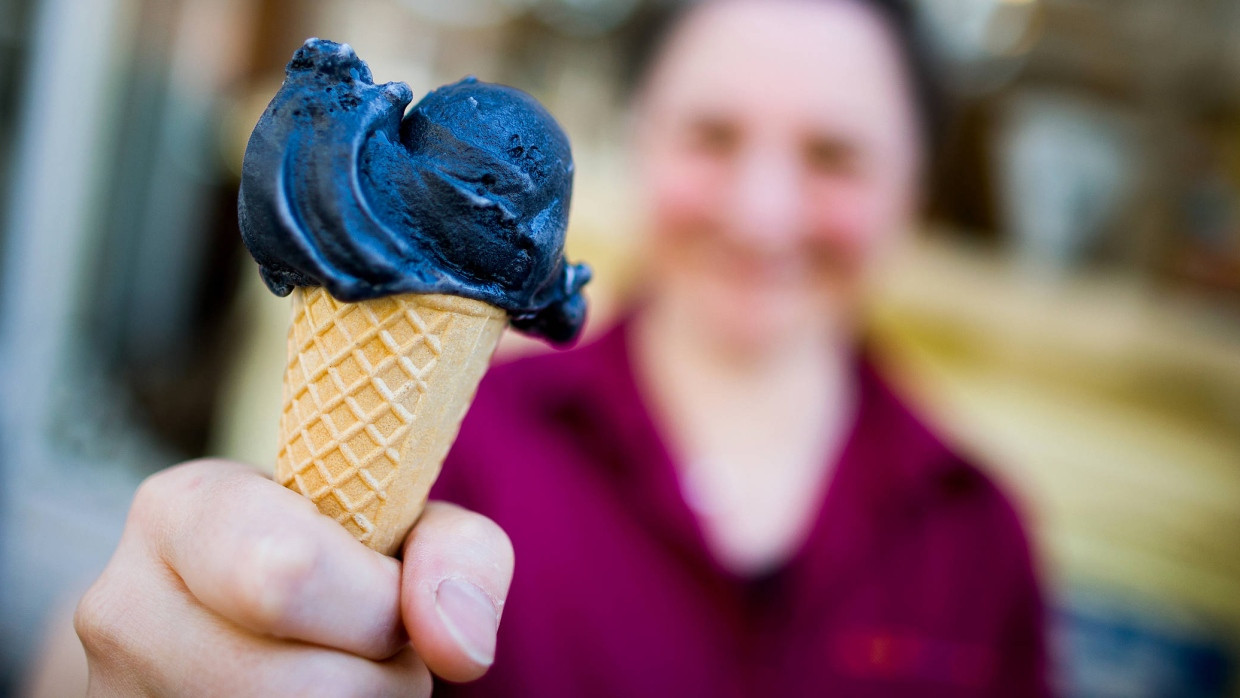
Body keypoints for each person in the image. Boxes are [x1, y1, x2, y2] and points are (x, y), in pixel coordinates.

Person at [73, 0, 1049, 696]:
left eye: (834, 156)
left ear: (912, 187)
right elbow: (234, 616)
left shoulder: (983, 535)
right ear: (643, 137)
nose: (762, 213)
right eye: (712, 136)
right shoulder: (468, 439)